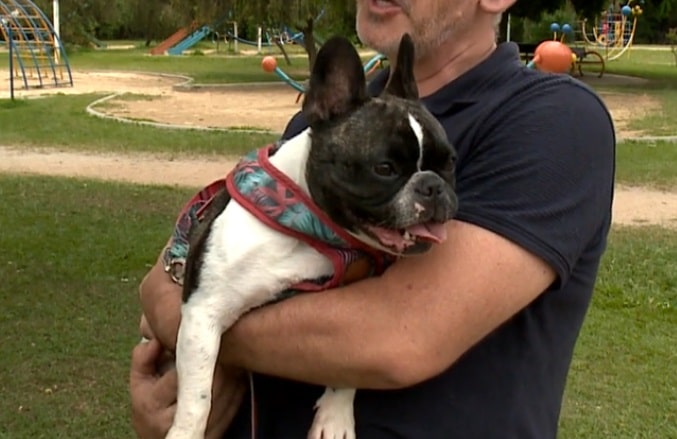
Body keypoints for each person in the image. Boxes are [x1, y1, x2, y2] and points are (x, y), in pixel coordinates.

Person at [130, 0, 616, 438]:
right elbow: (181, 271)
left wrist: (196, 321)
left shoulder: (553, 120)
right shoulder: (326, 127)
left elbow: (397, 339)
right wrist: (178, 364)